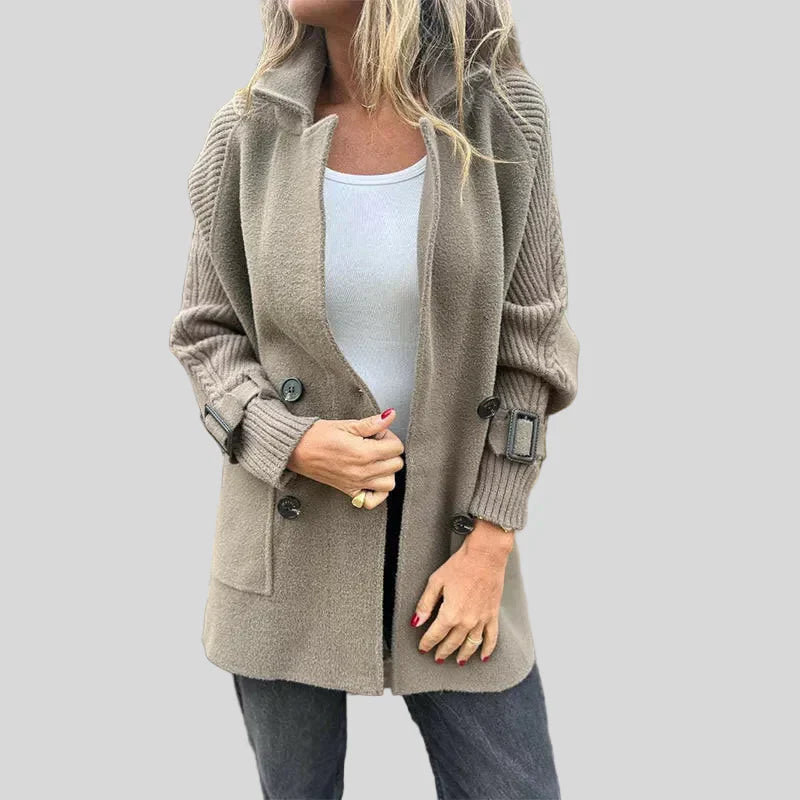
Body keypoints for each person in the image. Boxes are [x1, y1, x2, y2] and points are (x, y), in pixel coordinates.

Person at [169, 1, 579, 797]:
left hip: (454, 543)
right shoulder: (248, 131)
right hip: (284, 554)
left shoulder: (501, 117)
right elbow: (204, 332)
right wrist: (289, 441)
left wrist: (491, 542)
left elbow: (530, 343)